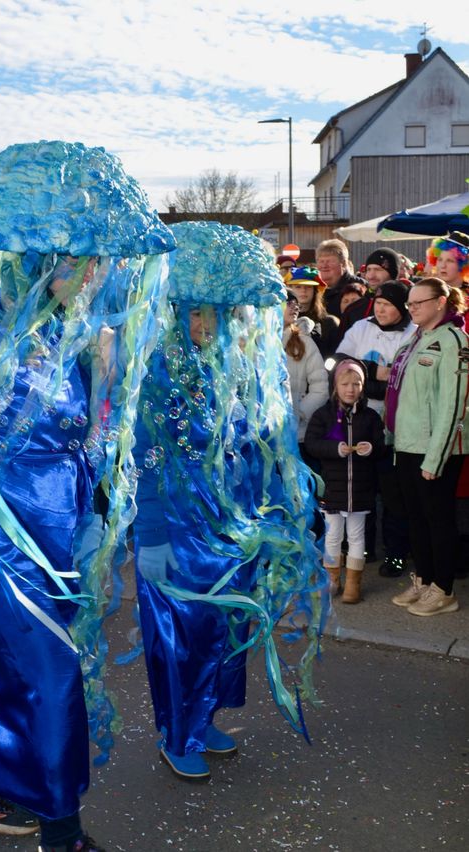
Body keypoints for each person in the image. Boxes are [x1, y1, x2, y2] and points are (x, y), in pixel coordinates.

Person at [0, 140, 175, 852]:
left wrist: (101, 512)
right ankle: (61, 828)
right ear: (47, 263)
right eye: (81, 262)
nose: (93, 275)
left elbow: (87, 443)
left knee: (13, 671)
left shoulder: (74, 342)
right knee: (49, 678)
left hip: (60, 540)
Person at [132, 221, 323, 782]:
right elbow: (145, 458)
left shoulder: (234, 366)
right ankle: (176, 731)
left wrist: (272, 508)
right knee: (181, 633)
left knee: (225, 626)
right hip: (178, 525)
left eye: (214, 311)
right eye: (195, 311)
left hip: (232, 525)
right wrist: (151, 535)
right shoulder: (155, 372)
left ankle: (204, 716)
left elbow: (255, 441)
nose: (205, 323)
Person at [387, 278, 469, 615]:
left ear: (441, 302)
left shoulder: (454, 340)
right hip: (407, 443)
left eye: (419, 302)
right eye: (410, 304)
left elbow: (454, 405)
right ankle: (424, 578)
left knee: (438, 519)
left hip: (436, 447)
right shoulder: (416, 338)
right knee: (416, 517)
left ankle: (444, 589)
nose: (412, 308)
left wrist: (436, 457)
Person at [334, 282, 416, 577]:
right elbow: (339, 364)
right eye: (378, 303)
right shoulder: (360, 328)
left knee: (393, 495)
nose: (380, 309)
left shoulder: (413, 332)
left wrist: (374, 380)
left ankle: (396, 553)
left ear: (402, 307)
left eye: (388, 304)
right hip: (359, 420)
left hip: (395, 425)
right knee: (360, 488)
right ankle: (362, 547)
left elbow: (404, 379)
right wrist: (371, 371)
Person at [305, 359, 385, 603]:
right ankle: (331, 578)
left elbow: (381, 446)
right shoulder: (323, 415)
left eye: (357, 383)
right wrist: (334, 449)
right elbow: (312, 443)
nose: (351, 389)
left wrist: (370, 447)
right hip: (333, 489)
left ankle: (353, 582)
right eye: (345, 383)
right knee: (332, 536)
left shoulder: (370, 417)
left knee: (357, 537)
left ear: (363, 386)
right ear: (335, 386)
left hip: (360, 490)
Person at [283, 291, 329, 464]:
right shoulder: (254, 341)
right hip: (263, 431)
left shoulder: (304, 342)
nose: (295, 306)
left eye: (296, 303)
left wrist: (300, 412)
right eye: (288, 302)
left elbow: (321, 386)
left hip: (297, 432)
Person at [286, 266, 341, 358]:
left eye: (308, 287)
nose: (303, 290)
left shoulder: (329, 323)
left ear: (315, 291)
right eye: (298, 287)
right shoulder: (281, 322)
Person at [341, 247, 401, 330]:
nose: (371, 276)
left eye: (378, 269)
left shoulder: (407, 307)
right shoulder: (353, 310)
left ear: (393, 273)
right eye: (368, 270)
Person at [315, 238, 366, 321]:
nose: (324, 265)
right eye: (321, 261)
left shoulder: (360, 286)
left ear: (343, 263)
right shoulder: (313, 288)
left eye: (329, 261)